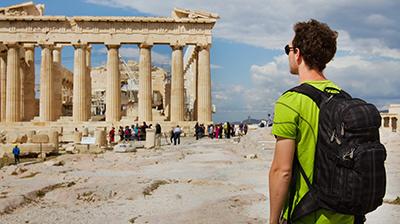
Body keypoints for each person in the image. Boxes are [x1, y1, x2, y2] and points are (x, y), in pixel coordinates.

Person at [269, 19, 354, 224]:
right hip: (346, 215)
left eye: (288, 49)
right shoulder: (345, 98)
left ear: (297, 53)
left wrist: (273, 220)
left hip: (307, 215)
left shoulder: (290, 102)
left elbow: (282, 171)